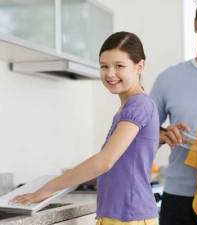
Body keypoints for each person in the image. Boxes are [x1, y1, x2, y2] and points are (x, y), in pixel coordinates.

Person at [13, 31, 160, 225]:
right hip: (121, 215)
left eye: (119, 66)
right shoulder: (129, 107)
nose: (110, 73)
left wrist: (49, 187)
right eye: (104, 66)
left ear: (139, 66)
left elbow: (105, 161)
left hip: (130, 216)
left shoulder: (138, 105)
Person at [150, 0, 197, 225]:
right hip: (178, 198)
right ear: (195, 25)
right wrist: (163, 134)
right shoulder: (168, 79)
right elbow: (141, 136)